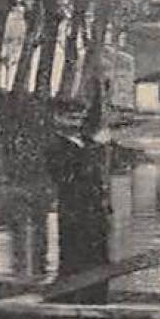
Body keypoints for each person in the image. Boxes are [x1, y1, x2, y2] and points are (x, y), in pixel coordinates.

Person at [46, 85, 113, 303]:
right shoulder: (55, 146)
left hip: (96, 214)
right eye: (70, 118)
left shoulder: (86, 143)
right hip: (75, 214)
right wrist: (94, 148)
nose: (76, 123)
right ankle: (67, 306)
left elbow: (98, 175)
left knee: (100, 263)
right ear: (57, 118)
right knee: (75, 263)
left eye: (79, 118)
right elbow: (70, 176)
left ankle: (98, 306)